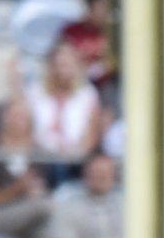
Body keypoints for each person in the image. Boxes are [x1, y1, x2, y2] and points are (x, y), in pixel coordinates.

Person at [27, 43, 105, 183]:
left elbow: (93, 132)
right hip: (41, 159)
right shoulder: (35, 92)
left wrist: (76, 154)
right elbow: (27, 128)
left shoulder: (87, 94)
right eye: (58, 64)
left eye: (67, 64)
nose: (62, 70)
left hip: (77, 161)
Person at [0, 100, 53, 238]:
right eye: (14, 115)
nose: (17, 121)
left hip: (32, 214)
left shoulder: (40, 154)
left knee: (50, 227)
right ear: (4, 118)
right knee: (46, 207)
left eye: (22, 116)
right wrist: (17, 189)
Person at [59, 0, 116, 90]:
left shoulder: (112, 34)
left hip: (106, 87)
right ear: (90, 7)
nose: (105, 12)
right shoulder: (72, 32)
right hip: (76, 85)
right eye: (101, 7)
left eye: (108, 7)